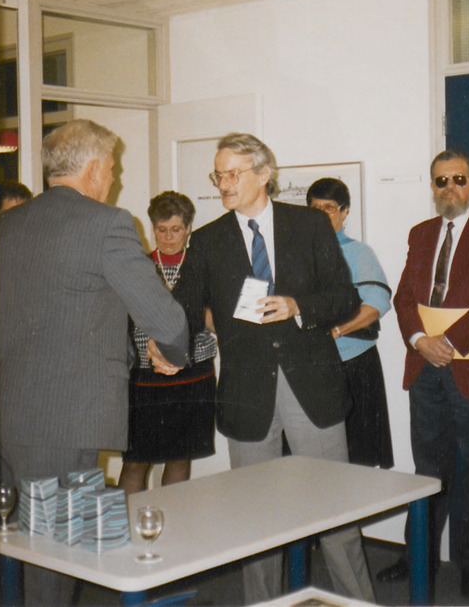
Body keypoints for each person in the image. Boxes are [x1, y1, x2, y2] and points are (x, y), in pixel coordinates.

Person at [173, 133, 375, 604]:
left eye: (233, 173)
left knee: (335, 512)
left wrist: (297, 306)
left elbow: (345, 298)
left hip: (312, 387)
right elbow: (181, 306)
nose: (224, 184)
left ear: (264, 174)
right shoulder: (207, 240)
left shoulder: (309, 225)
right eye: (218, 175)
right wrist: (176, 338)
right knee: (254, 521)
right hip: (246, 394)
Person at [0, 119, 189, 606]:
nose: (114, 178)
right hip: (68, 421)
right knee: (55, 560)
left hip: (9, 415)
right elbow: (165, 319)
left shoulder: (7, 225)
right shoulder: (107, 224)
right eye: (114, 167)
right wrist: (172, 353)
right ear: (95, 168)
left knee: (24, 547)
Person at [377, 149, 469, 601]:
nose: (450, 188)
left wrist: (449, 342)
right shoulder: (421, 234)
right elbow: (403, 298)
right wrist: (421, 340)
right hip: (426, 370)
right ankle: (415, 556)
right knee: (427, 470)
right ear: (433, 187)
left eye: (458, 179)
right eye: (441, 181)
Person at [119, 191, 217, 495]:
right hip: (145, 375)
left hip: (192, 374)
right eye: (161, 230)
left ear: (188, 228)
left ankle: (174, 521)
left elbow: (214, 316)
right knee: (135, 461)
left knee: (179, 457)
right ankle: (123, 524)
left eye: (176, 229)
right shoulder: (139, 266)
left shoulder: (203, 266)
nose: (169, 237)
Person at [306, 178, 394, 469]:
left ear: (345, 211)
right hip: (309, 368)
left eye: (329, 208)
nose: (321, 214)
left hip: (353, 366)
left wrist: (336, 332)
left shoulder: (359, 253)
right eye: (315, 208)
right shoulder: (296, 254)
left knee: (358, 459)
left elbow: (376, 304)